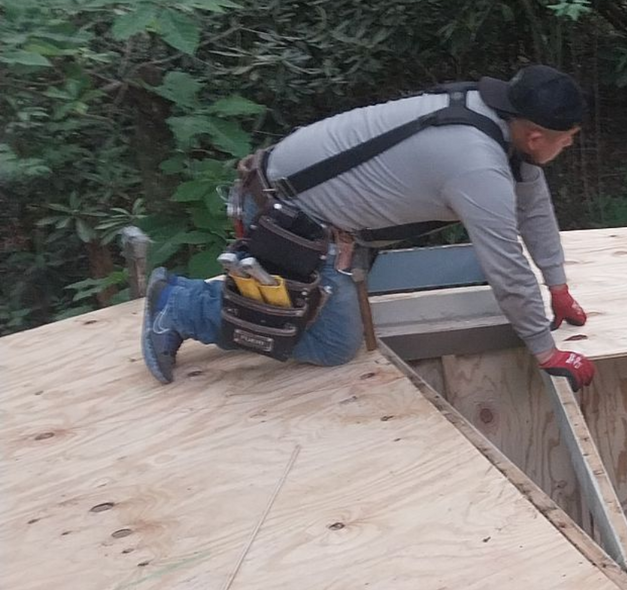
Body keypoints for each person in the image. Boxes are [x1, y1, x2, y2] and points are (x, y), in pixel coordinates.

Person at [141, 65, 596, 391]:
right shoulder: (477, 166)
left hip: (296, 194)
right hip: (289, 217)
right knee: (334, 345)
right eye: (568, 138)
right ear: (536, 136)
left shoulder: (494, 118)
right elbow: (506, 267)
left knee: (320, 318)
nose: (571, 144)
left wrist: (556, 284)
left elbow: (533, 206)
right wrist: (545, 351)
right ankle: (180, 306)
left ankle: (210, 302)